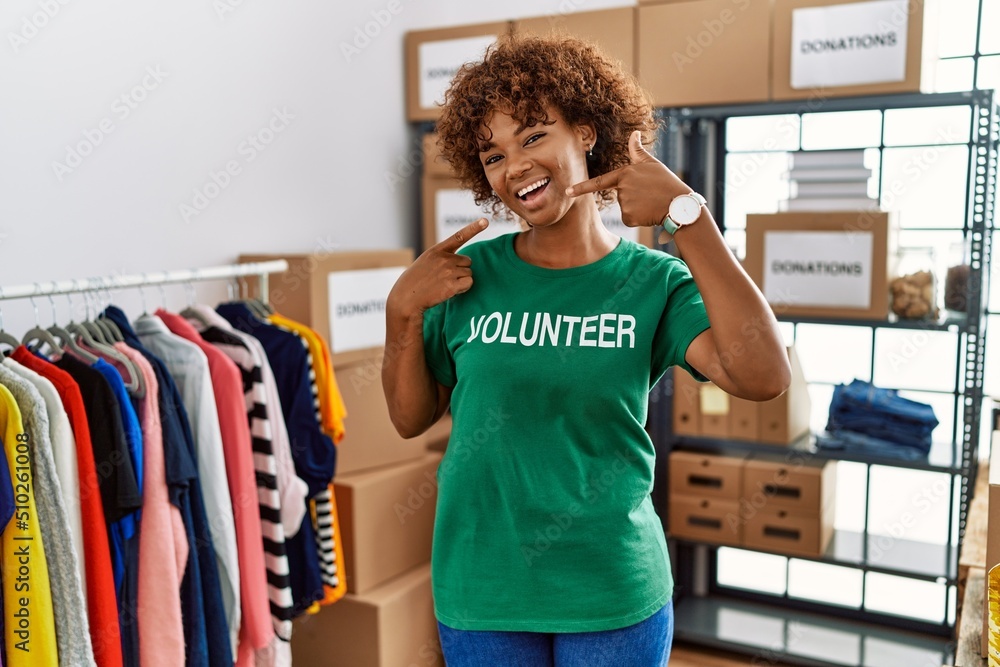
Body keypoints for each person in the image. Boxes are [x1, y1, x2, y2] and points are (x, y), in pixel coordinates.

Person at [382, 33, 790, 667]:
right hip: (484, 587)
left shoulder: (655, 282)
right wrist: (400, 313)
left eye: (533, 137)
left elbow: (763, 376)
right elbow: (411, 419)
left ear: (587, 131)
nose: (514, 166)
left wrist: (691, 219)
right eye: (493, 155)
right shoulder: (462, 275)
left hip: (612, 590)